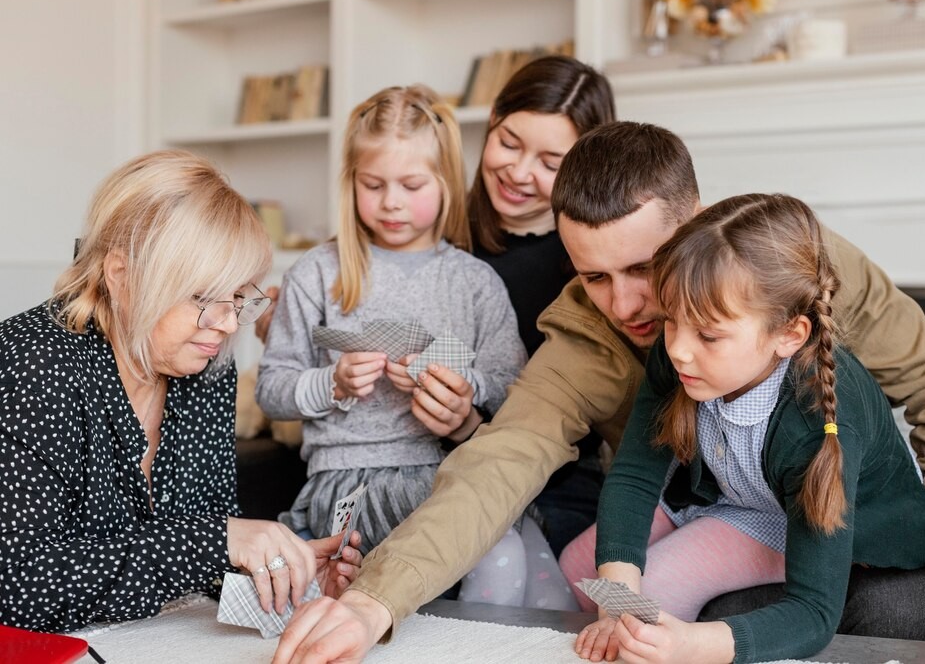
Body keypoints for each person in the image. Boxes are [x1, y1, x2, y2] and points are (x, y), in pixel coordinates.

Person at [271, 122, 925, 664]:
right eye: (595, 276)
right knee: (595, 566)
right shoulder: (600, 335)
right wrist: (373, 600)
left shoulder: (802, 265)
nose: (626, 305)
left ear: (693, 225)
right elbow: (500, 463)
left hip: (824, 510)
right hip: (716, 498)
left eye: (644, 267)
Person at [0, 150, 361, 633]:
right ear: (122, 276)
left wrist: (280, 576)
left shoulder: (207, 369)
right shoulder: (32, 367)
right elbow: (18, 587)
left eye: (239, 297)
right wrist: (214, 542)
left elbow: (198, 554)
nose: (230, 323)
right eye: (202, 297)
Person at [572, 193, 925, 663]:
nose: (677, 349)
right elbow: (636, 474)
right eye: (671, 321)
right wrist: (614, 602)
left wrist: (690, 646)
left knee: (659, 590)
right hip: (739, 496)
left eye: (708, 335)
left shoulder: (814, 423)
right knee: (582, 565)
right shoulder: (680, 351)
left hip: (812, 522)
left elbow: (815, 613)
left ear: (788, 335)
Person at [255, 86, 539, 588]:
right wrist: (332, 384)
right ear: (351, 182)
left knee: (516, 551)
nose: (391, 203)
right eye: (373, 184)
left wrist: (463, 384)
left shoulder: (473, 282)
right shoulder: (319, 273)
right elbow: (272, 389)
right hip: (346, 483)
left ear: (445, 181)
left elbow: (511, 382)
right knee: (477, 554)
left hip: (446, 470)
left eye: (411, 185)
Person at [468, 55, 616, 557]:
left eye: (551, 164)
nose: (519, 171)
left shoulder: (593, 266)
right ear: (492, 120)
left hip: (556, 472)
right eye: (509, 143)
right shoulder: (426, 221)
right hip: (418, 459)